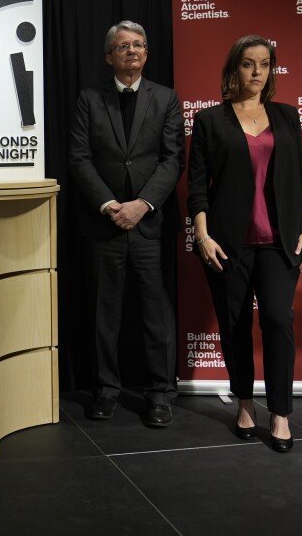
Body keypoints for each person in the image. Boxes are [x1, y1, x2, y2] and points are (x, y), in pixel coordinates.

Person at [187, 35, 302, 453]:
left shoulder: (287, 116)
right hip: (228, 243)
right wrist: (202, 236)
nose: (257, 71)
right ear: (234, 69)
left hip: (280, 242)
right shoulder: (210, 120)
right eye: (248, 63)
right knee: (235, 325)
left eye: (264, 63)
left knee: (277, 320)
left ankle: (280, 413)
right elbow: (197, 188)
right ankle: (244, 403)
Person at [69, 21, 185, 427]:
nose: (132, 50)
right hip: (104, 224)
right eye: (123, 46)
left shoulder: (166, 98)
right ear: (109, 57)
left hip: (150, 224)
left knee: (156, 314)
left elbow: (172, 158)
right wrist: (109, 205)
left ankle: (160, 395)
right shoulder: (89, 99)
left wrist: (143, 204)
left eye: (138, 44)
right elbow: (79, 158)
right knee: (105, 313)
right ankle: (106, 391)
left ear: (147, 53)